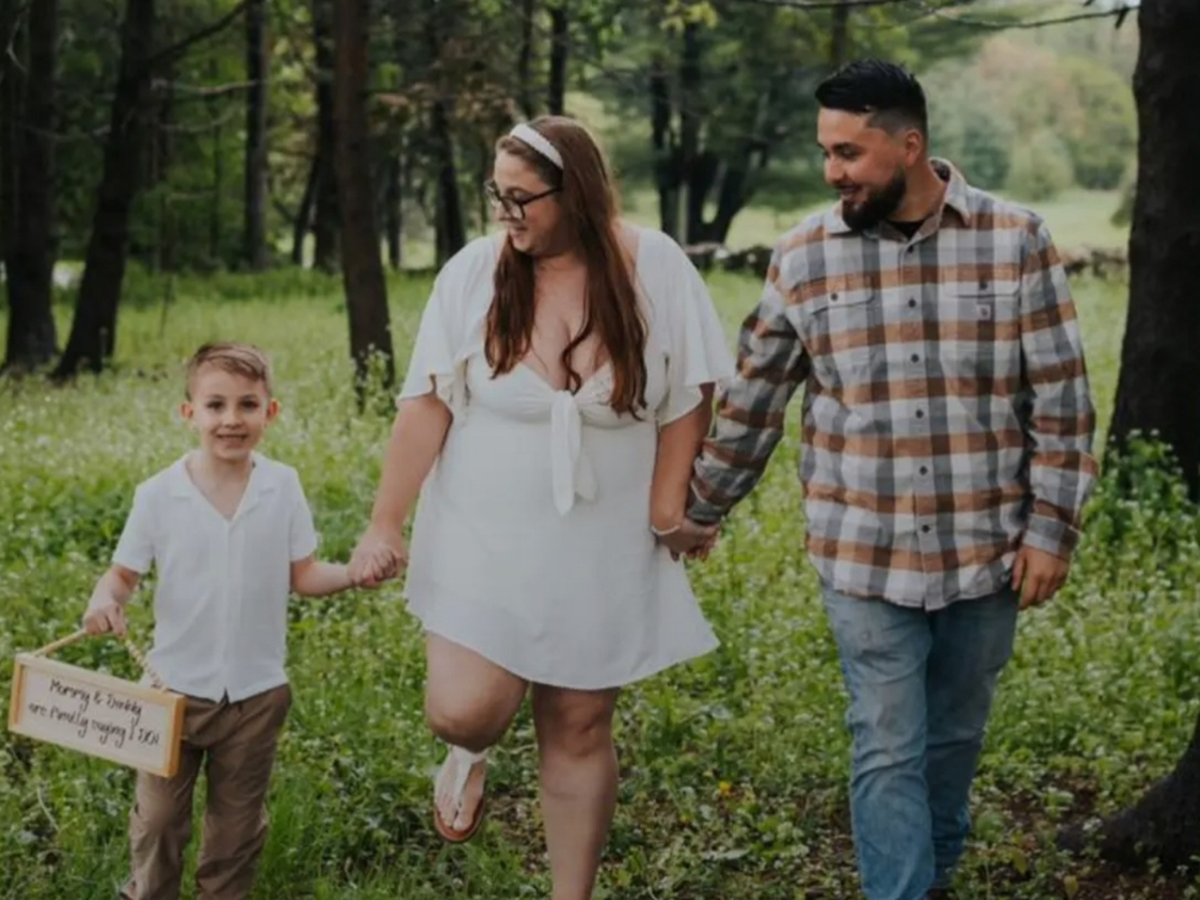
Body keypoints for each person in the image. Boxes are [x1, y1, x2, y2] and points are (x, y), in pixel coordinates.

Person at [683, 60, 1099, 900]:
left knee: (953, 738)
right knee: (884, 742)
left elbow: (1061, 401)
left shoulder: (1016, 240)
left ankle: (930, 874)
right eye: (825, 152)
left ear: (909, 146)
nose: (831, 172)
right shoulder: (804, 255)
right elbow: (755, 403)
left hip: (986, 551)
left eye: (848, 153)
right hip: (863, 555)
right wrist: (697, 509)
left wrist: (1052, 532)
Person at [348, 115, 734, 900]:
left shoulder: (653, 265)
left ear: (577, 192)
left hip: (601, 535)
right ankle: (469, 753)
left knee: (579, 723)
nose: (506, 213)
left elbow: (691, 397)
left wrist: (670, 509)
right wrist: (385, 522)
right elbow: (426, 403)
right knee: (464, 711)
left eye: (522, 198)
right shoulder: (475, 272)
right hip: (483, 528)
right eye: (498, 195)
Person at [82, 341, 364, 900]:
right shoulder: (159, 495)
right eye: (215, 405)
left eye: (247, 405)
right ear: (190, 413)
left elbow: (304, 574)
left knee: (235, 831)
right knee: (159, 820)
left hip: (254, 696)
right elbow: (121, 576)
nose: (231, 419)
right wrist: (104, 599)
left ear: (270, 412)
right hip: (171, 691)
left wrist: (354, 573)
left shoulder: (282, 486)